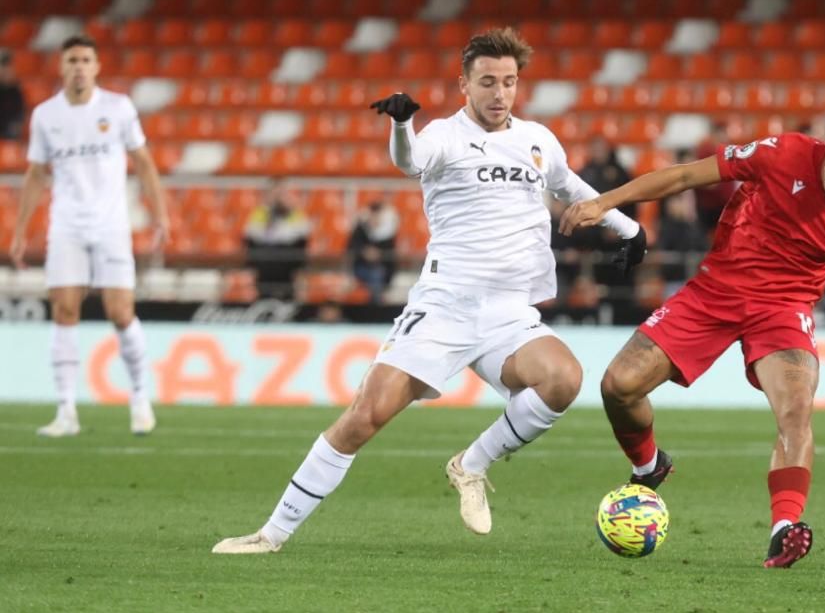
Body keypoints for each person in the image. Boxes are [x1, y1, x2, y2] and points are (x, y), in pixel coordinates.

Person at [212, 27, 647, 554]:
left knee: (563, 380)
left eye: (509, 82)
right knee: (365, 418)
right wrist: (402, 123)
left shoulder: (538, 140)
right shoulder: (444, 134)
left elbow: (571, 187)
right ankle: (272, 533)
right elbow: (409, 161)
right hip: (445, 306)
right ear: (464, 84)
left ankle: (471, 465)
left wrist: (629, 228)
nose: (499, 93)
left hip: (509, 313)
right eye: (487, 82)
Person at [559, 108, 825, 569]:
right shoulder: (784, 153)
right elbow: (682, 177)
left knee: (796, 409)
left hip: (784, 305)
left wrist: (799, 294)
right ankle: (648, 466)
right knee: (618, 385)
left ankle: (785, 528)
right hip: (716, 290)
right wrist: (604, 204)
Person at [8, 35, 170, 437]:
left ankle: (139, 398)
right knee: (64, 311)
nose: (79, 66)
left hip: (112, 225)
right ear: (62, 67)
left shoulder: (117, 108)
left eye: (85, 59)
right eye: (72, 60)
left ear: (96, 67)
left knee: (120, 313)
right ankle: (66, 411)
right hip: (66, 225)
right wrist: (19, 230)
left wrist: (160, 215)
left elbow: (144, 163)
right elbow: (36, 174)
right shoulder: (46, 115)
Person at [243, 179, 310, 300]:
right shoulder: (260, 212)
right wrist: (270, 220)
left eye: (281, 193)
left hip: (287, 261)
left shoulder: (294, 212)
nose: (277, 198)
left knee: (288, 292)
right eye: (274, 193)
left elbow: (302, 232)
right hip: (266, 261)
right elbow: (252, 234)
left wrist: (287, 213)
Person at [347, 197, 399, 303]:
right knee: (373, 275)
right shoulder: (361, 228)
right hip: (361, 267)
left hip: (383, 270)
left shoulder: (388, 232)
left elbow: (390, 253)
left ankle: (376, 302)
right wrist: (364, 251)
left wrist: (378, 254)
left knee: (376, 274)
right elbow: (351, 246)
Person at [0, 48, 26, 140]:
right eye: (3, 66)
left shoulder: (15, 92)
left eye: (7, 66)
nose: (5, 70)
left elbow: (18, 119)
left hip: (8, 135)